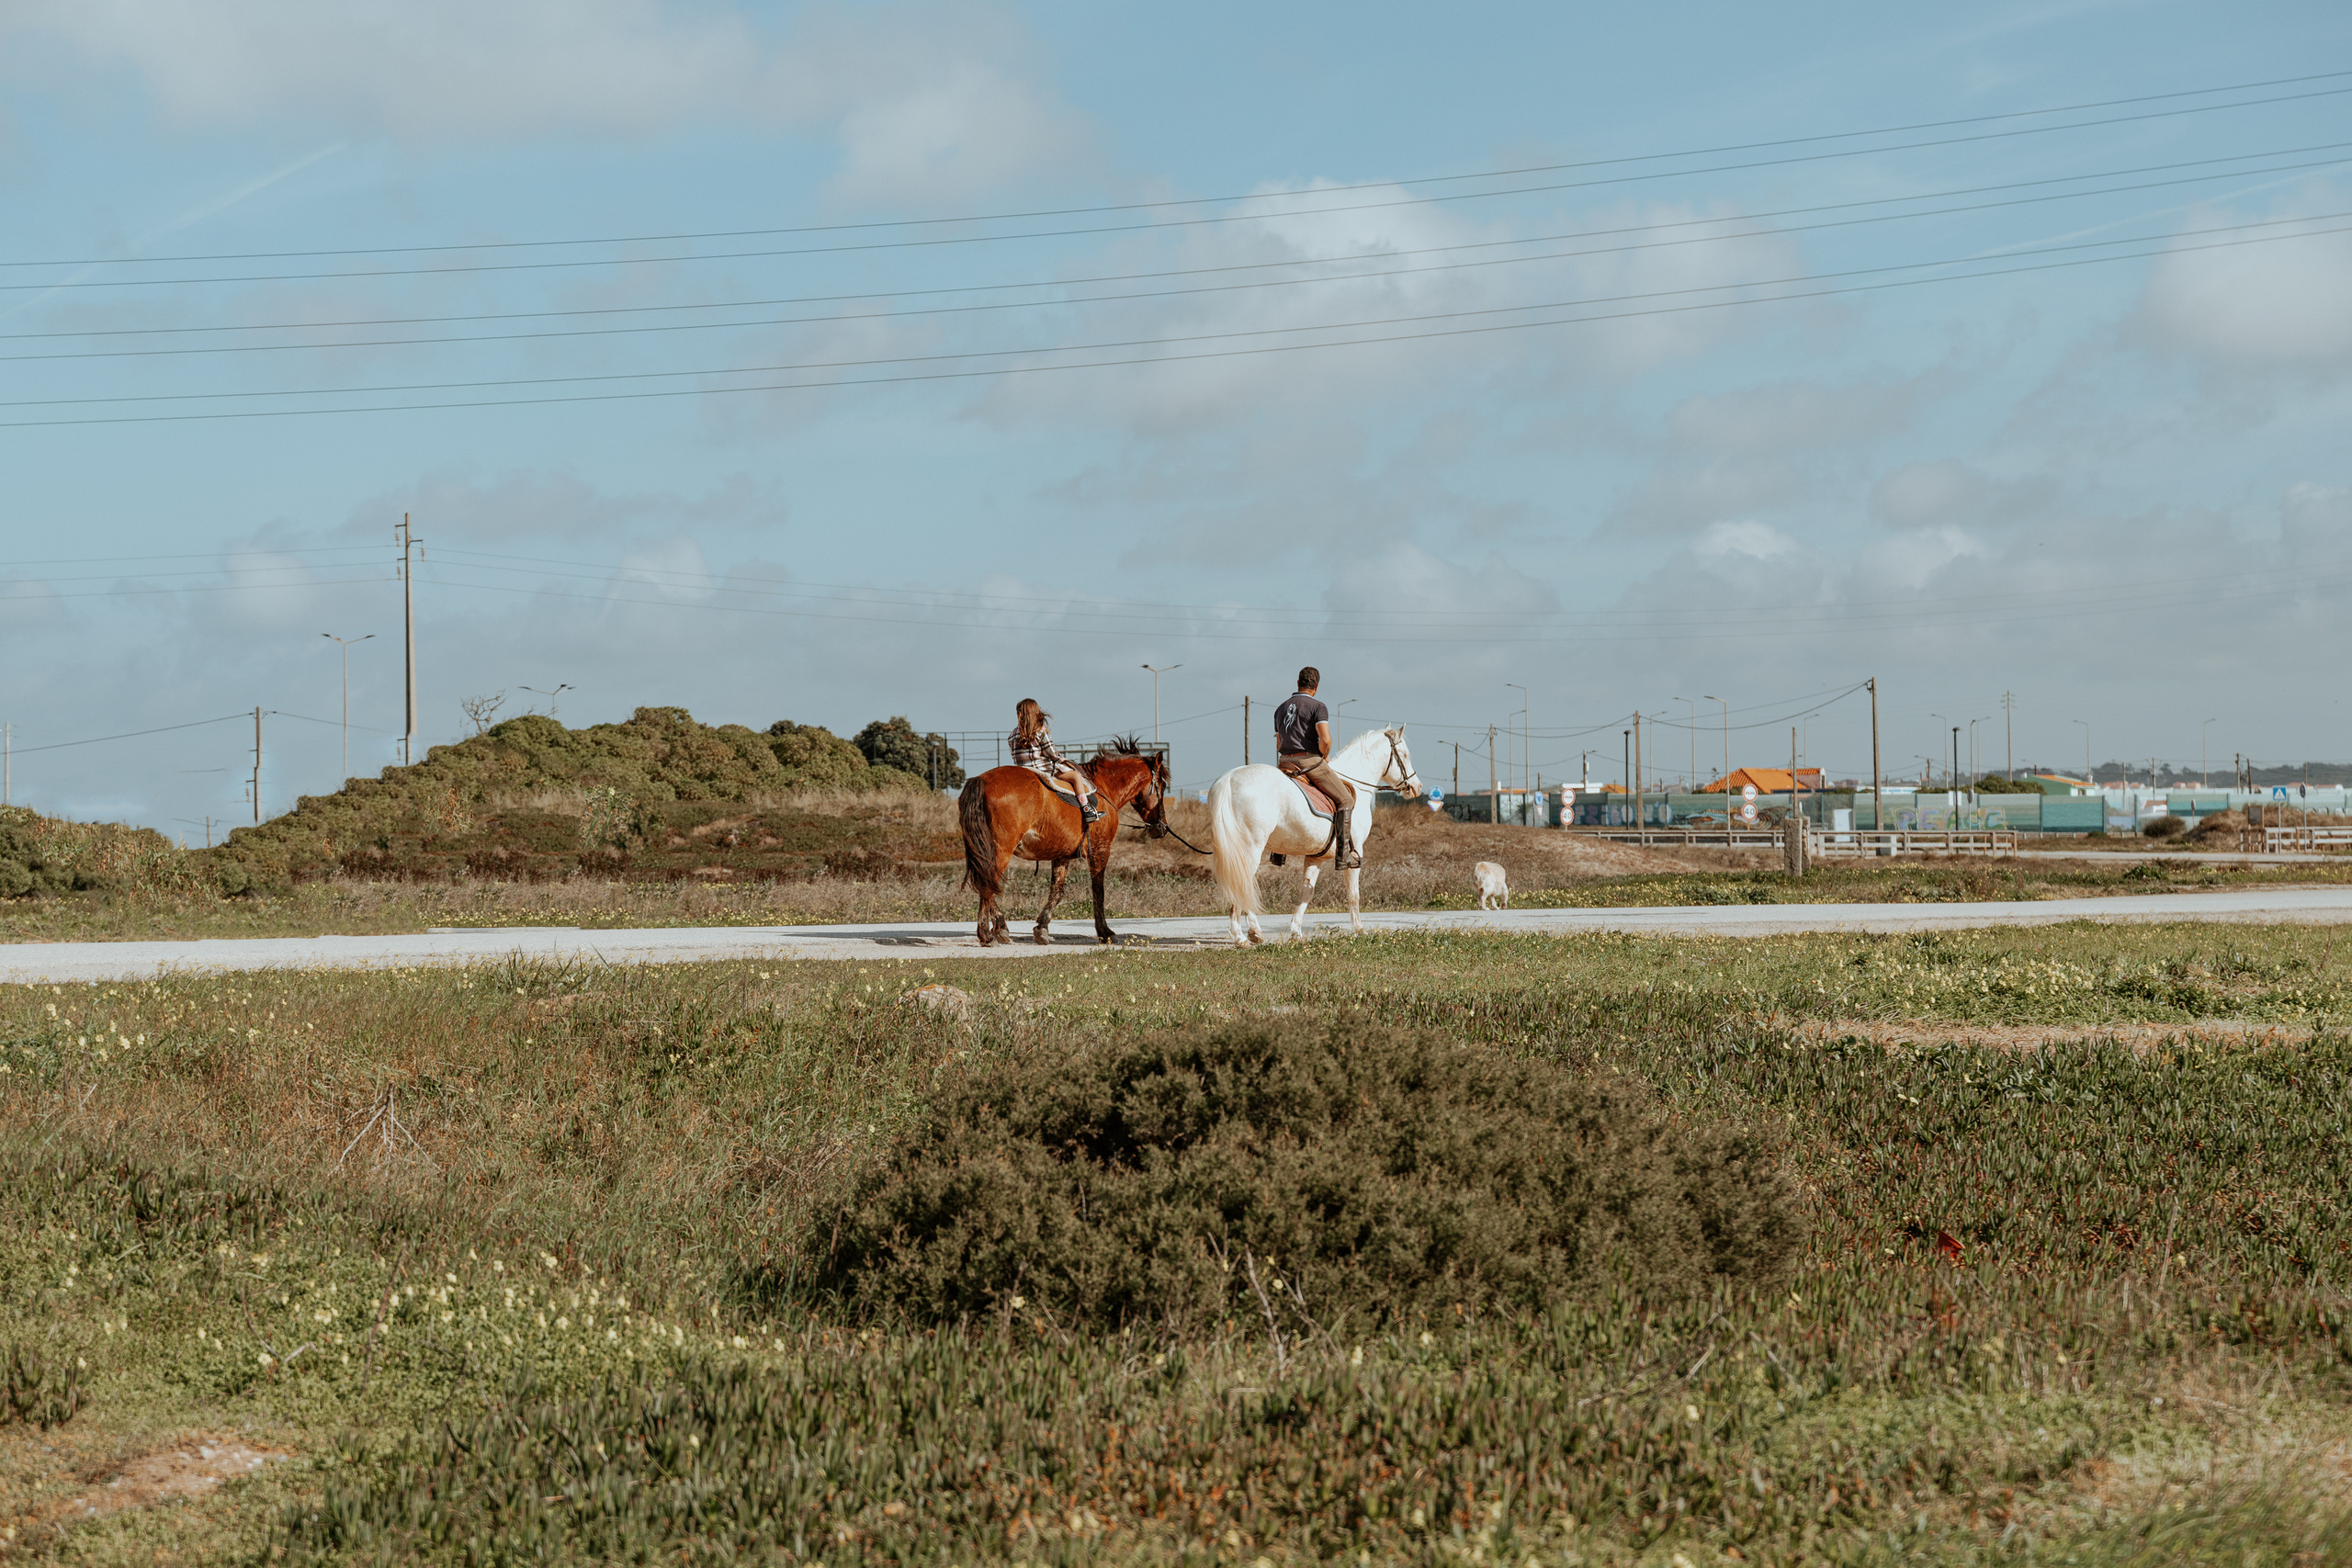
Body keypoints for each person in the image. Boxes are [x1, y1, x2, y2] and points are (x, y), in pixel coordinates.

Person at [1274, 666, 1360, 868]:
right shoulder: (1318, 707)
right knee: (1346, 799)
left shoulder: (1280, 708)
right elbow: (1325, 738)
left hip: (1284, 762)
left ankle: (1277, 853)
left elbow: (1278, 743)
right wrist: (1324, 753)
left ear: (1298, 683)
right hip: (1308, 763)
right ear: (1317, 686)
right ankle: (1343, 856)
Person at [1008, 697, 1101, 825]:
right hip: (1043, 769)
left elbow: (1015, 756)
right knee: (1076, 776)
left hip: (1022, 770)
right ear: (1035, 712)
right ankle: (1087, 809)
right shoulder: (1040, 730)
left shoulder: (1012, 735)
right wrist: (1062, 759)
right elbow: (1051, 753)